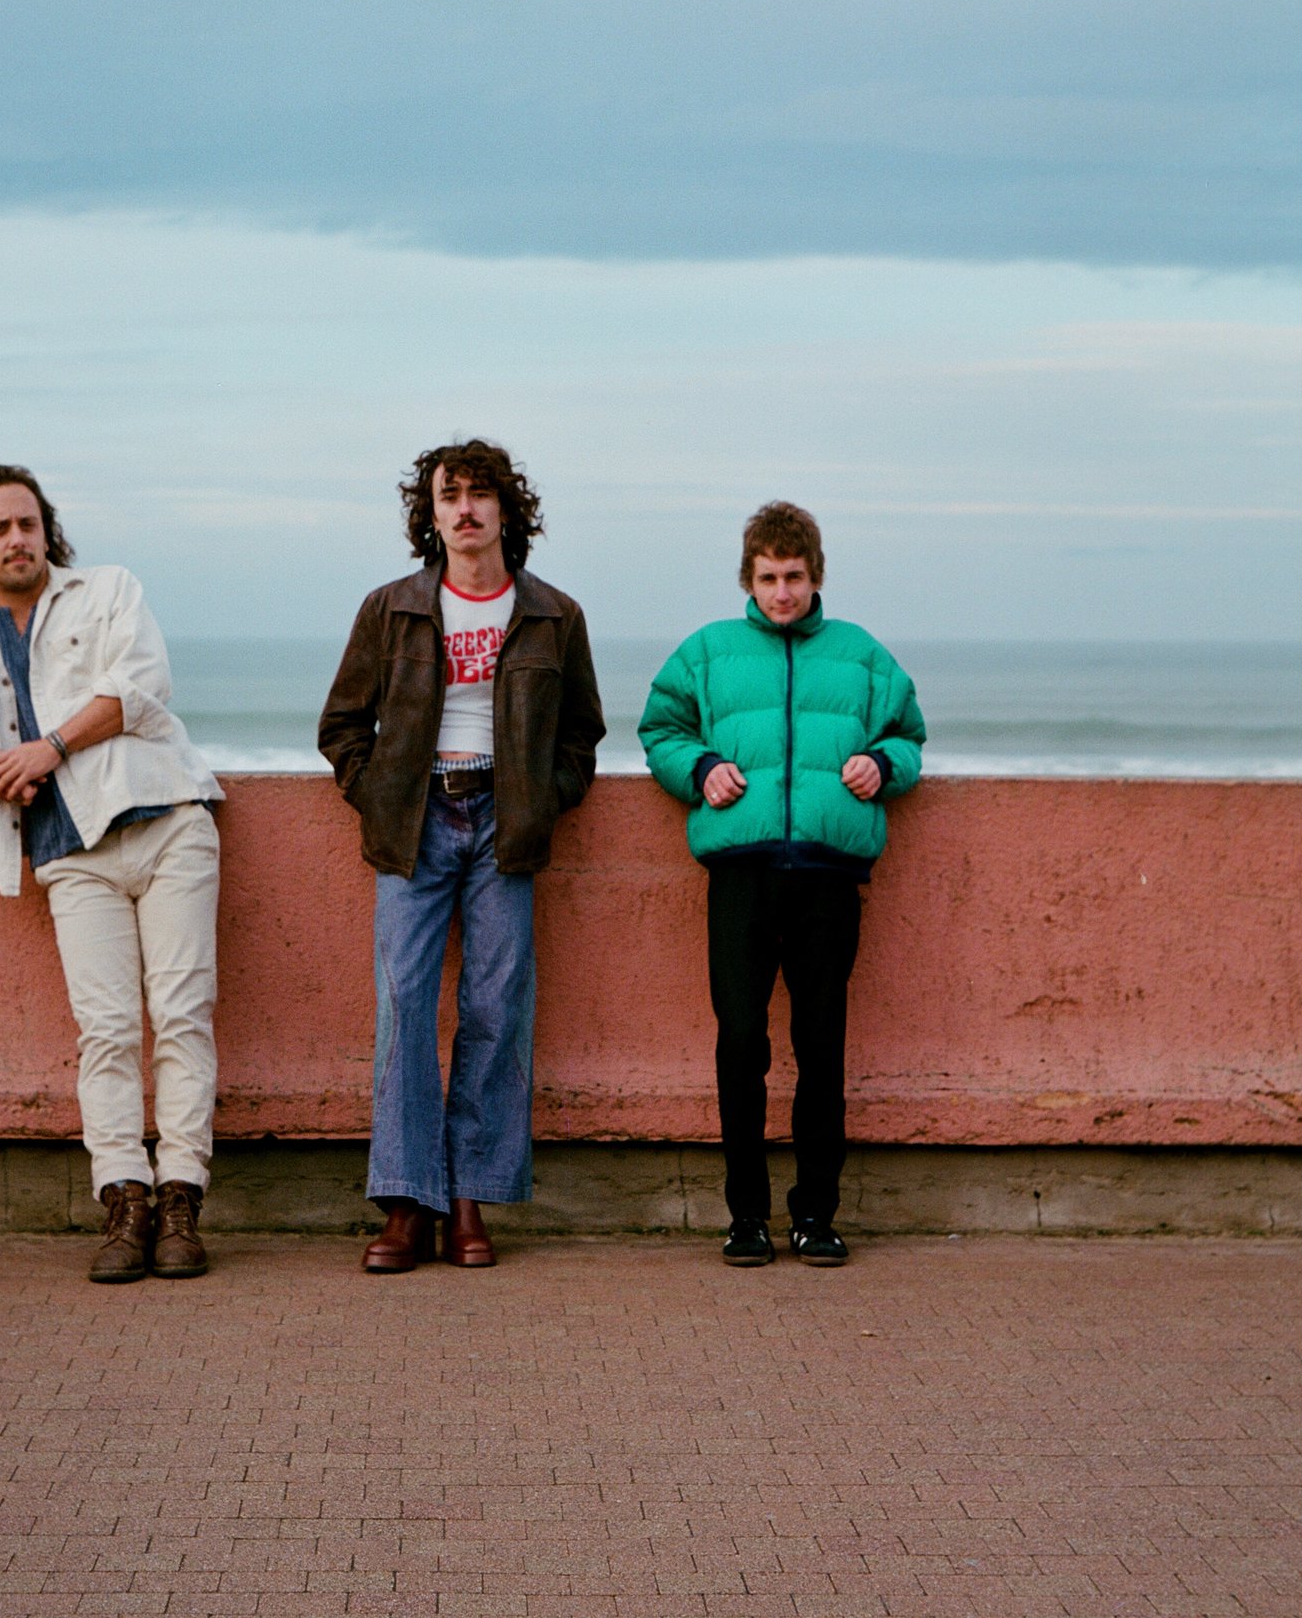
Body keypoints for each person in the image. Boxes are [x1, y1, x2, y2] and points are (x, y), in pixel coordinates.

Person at [0, 463, 225, 1285]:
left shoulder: (109, 590)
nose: (18, 539)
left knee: (182, 1012)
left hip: (166, 821)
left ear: (46, 530)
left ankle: (181, 1202)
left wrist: (46, 747)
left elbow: (140, 690)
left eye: (29, 523)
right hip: (65, 848)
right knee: (107, 1032)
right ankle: (123, 1203)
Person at [318, 439, 604, 1272]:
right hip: (414, 825)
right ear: (431, 512)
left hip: (503, 827)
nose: (466, 508)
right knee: (405, 1003)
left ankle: (470, 1200)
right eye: (451, 495)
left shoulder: (555, 614)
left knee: (496, 1006)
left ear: (508, 511)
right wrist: (380, 795)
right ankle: (408, 1201)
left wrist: (540, 801)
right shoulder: (391, 608)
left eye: (482, 494)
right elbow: (342, 725)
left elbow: (580, 735)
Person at [639, 501, 925, 1267]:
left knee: (821, 1047)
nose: (782, 593)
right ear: (748, 577)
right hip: (741, 875)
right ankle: (746, 1218)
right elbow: (660, 729)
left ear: (816, 574)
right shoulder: (706, 652)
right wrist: (700, 769)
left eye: (794, 576)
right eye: (767, 577)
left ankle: (817, 1216)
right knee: (741, 1045)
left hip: (829, 880)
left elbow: (909, 733)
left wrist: (885, 764)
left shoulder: (862, 655)